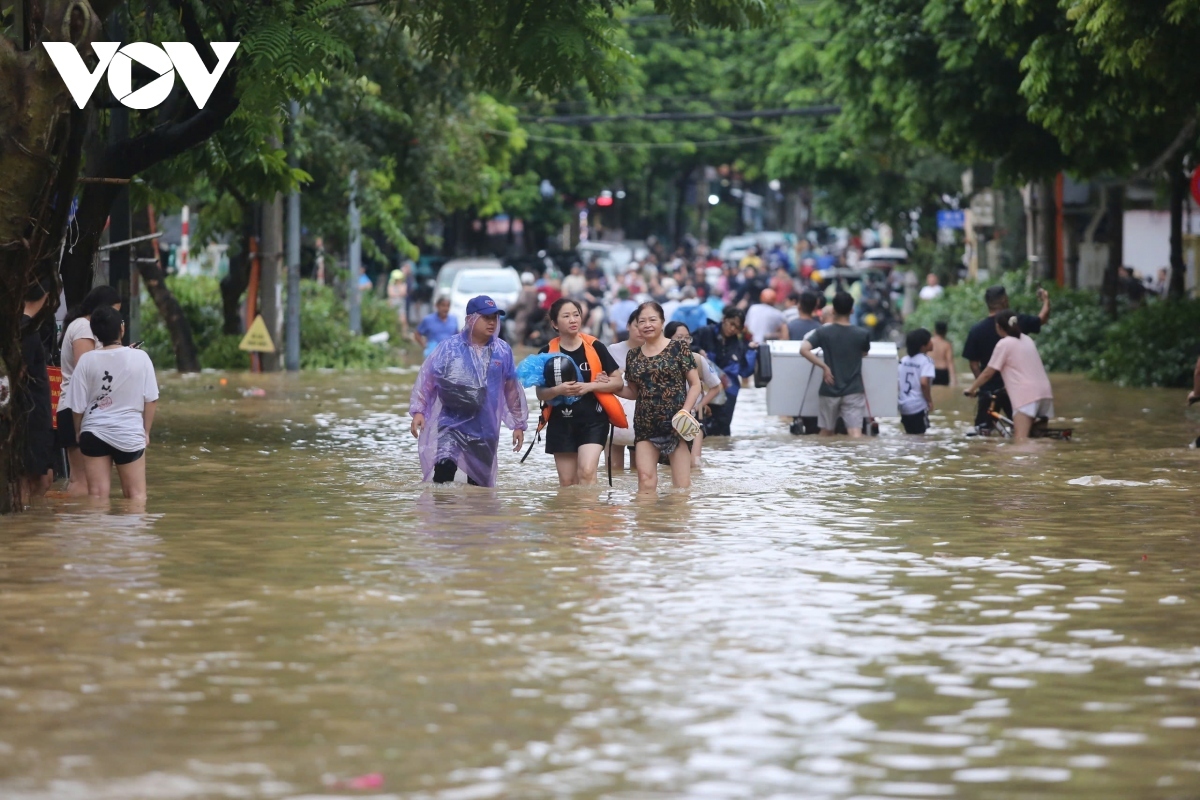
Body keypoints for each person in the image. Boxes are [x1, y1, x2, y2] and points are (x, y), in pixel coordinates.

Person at [409, 296, 527, 487]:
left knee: (479, 487)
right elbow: (427, 380)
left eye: (495, 318)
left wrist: (518, 424)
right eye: (486, 317)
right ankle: (445, 515)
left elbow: (512, 390)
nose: (492, 322)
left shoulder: (502, 351)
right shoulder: (449, 348)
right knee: (443, 478)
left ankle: (473, 517)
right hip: (451, 424)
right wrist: (419, 411)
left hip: (485, 428)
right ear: (470, 319)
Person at [61, 306, 158, 502]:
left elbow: (77, 406)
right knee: (136, 496)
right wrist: (145, 431)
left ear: (95, 333)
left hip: (93, 433)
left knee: (97, 496)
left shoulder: (86, 361)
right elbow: (151, 399)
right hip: (129, 433)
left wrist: (80, 431)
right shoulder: (141, 358)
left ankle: (99, 533)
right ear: (122, 329)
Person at [536, 299, 623, 487]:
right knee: (567, 482)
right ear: (554, 323)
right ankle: (572, 515)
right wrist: (558, 390)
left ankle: (589, 515)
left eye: (576, 315)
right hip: (561, 421)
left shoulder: (595, 347)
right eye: (566, 316)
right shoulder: (546, 353)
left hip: (593, 420)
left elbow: (618, 381)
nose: (572, 320)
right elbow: (540, 394)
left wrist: (590, 386)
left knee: (587, 471)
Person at [616, 303, 701, 493]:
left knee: (681, 487)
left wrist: (685, 411)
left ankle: (675, 520)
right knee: (645, 482)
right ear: (636, 326)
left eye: (652, 320)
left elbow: (696, 385)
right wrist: (610, 387)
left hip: (676, 425)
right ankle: (647, 521)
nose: (647, 324)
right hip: (646, 424)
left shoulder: (679, 348)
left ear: (662, 322)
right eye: (642, 321)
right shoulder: (633, 355)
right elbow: (633, 392)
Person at [58, 284, 123, 496]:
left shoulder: (84, 326)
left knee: (86, 479)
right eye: (114, 311)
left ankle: (79, 525)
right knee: (82, 480)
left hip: (84, 408)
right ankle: (75, 526)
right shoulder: (84, 328)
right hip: (76, 407)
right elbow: (84, 371)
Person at [962, 285, 1050, 431]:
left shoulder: (976, 330)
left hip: (990, 390)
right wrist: (1046, 300)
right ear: (1004, 300)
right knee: (1026, 430)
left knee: (982, 432)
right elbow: (1043, 318)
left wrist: (981, 387)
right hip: (1017, 389)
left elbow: (974, 364)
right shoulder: (1017, 323)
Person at [800, 291, 872, 438]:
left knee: (826, 432)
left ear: (833, 310)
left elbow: (803, 350)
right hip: (854, 389)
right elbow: (864, 353)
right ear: (852, 310)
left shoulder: (823, 332)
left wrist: (824, 367)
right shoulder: (862, 334)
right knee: (855, 433)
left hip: (829, 388)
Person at [665, 321, 722, 469]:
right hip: (665, 418)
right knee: (666, 465)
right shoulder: (659, 361)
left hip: (692, 418)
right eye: (679, 338)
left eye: (687, 338)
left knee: (694, 464)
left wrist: (700, 405)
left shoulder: (697, 359)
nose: (684, 342)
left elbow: (716, 386)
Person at [692, 307, 755, 437]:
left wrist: (752, 351)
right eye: (731, 324)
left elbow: (745, 371)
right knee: (699, 425)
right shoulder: (705, 332)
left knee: (722, 429)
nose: (732, 329)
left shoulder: (739, 344)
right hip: (703, 387)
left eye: (737, 327)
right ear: (724, 320)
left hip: (728, 391)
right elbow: (685, 345)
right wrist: (699, 350)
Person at [19, 282, 55, 502]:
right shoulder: (26, 331)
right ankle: (21, 520)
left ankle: (29, 521)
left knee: (44, 477)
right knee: (30, 477)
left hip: (38, 413)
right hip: (30, 414)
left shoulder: (27, 328)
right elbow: (19, 373)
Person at [898, 328, 936, 434]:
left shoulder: (904, 360)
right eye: (930, 340)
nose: (932, 342)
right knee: (920, 439)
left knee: (910, 435)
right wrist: (929, 400)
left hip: (903, 406)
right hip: (917, 406)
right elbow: (924, 383)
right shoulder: (926, 361)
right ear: (923, 346)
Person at [930, 321, 957, 386]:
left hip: (930, 371)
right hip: (943, 372)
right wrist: (953, 379)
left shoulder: (928, 343)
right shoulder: (947, 345)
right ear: (945, 331)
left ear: (934, 330)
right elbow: (950, 362)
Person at [386, 268, 409, 335]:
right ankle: (393, 334)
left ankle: (404, 334)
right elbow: (390, 294)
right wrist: (398, 294)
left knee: (403, 320)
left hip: (400, 305)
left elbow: (403, 293)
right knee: (393, 320)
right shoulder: (390, 285)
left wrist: (397, 292)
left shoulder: (403, 284)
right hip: (392, 304)